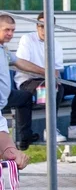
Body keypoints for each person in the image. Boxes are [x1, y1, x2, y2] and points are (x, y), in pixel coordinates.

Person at [15, 12, 76, 142]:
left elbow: (56, 71)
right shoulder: (27, 39)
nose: (44, 29)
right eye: (41, 26)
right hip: (28, 82)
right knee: (53, 87)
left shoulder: (56, 45)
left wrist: (52, 76)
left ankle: (74, 127)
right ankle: (50, 129)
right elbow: (23, 64)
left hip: (47, 80)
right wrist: (46, 72)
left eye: (48, 26)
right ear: (37, 26)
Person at [0, 14, 38, 149]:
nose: (10, 33)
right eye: (6, 30)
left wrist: (45, 71)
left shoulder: (3, 49)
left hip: (6, 96)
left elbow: (19, 62)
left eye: (13, 30)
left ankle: (24, 137)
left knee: (25, 96)